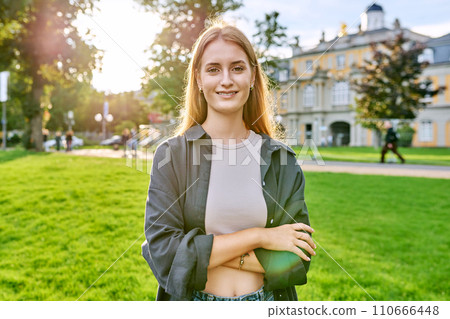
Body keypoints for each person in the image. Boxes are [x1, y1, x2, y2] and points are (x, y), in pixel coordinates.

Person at [141, 22, 315, 301]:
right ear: (198, 79)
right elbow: (165, 254)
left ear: (253, 76)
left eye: (237, 68)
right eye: (213, 69)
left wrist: (199, 254)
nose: (226, 80)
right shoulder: (172, 155)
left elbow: (297, 258)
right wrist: (259, 237)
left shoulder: (281, 159)